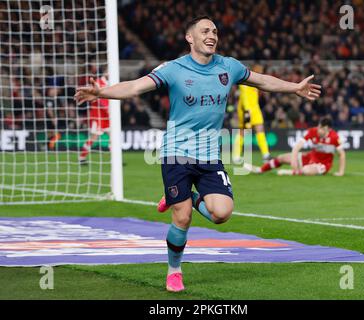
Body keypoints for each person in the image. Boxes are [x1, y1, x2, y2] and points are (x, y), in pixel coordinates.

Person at [74, 15, 321, 292]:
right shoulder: (174, 69)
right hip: (176, 153)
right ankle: (174, 270)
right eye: (205, 31)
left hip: (209, 156)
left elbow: (262, 81)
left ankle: (184, 196)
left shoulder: (228, 66)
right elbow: (134, 86)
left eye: (215, 31)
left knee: (222, 213)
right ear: (190, 38)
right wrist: (101, 93)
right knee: (182, 218)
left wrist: (295, 87)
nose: (212, 35)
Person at [244, 118, 345, 176]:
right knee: (281, 158)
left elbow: (342, 154)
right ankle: (260, 170)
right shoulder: (313, 131)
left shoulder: (334, 137)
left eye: (322, 128)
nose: (319, 130)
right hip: (310, 158)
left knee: (306, 170)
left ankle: (290, 172)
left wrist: (340, 172)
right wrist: (293, 160)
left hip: (323, 165)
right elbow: (297, 146)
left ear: (328, 129)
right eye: (319, 127)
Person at [232, 64, 272, 163]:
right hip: (246, 110)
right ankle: (236, 155)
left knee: (260, 129)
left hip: (255, 108)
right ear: (254, 70)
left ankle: (266, 154)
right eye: (259, 70)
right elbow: (245, 97)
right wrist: (247, 111)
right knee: (243, 131)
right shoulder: (245, 81)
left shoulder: (256, 82)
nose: (261, 72)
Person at [79, 73, 109, 164]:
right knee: (93, 137)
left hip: (107, 117)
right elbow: (99, 99)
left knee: (113, 137)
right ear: (105, 72)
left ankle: (116, 160)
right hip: (98, 116)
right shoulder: (98, 82)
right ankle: (81, 157)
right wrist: (107, 108)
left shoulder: (110, 83)